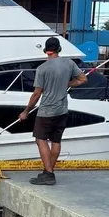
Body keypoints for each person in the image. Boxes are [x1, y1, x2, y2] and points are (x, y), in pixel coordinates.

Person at [19, 37, 87, 185]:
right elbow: (82, 79)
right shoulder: (69, 63)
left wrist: (26, 111)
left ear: (46, 51)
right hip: (62, 110)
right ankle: (48, 171)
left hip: (46, 111)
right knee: (56, 141)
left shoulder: (42, 68)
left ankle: (49, 174)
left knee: (40, 140)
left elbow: (37, 93)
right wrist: (68, 83)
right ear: (59, 49)